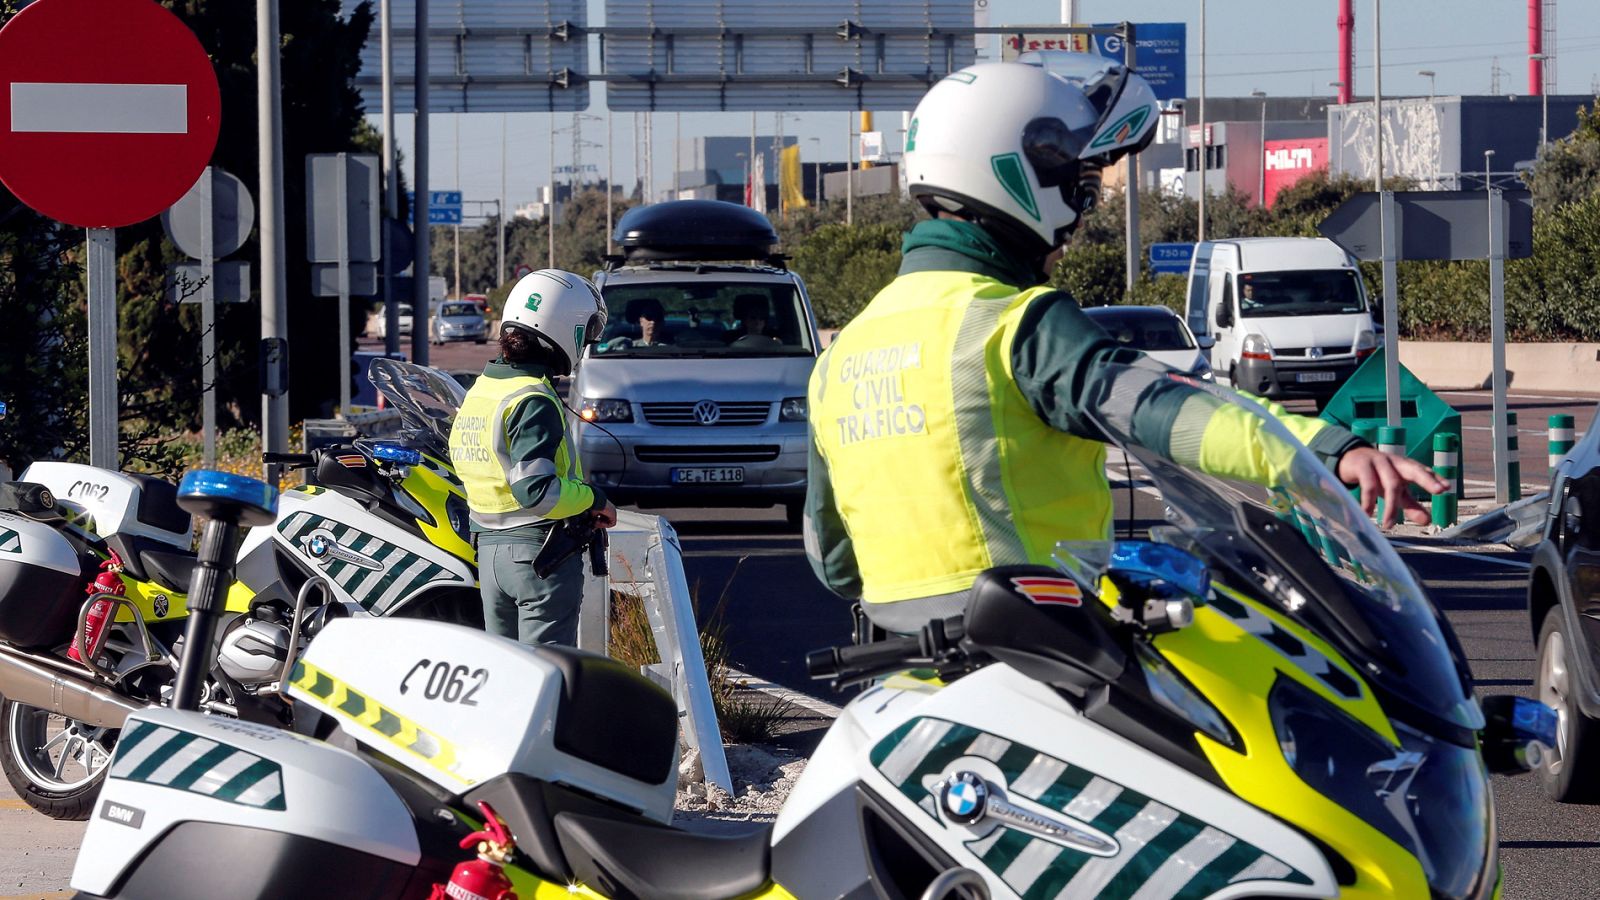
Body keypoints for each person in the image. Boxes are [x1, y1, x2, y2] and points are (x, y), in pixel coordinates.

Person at [803, 59, 1445, 634]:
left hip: (901, 677)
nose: (1080, 218)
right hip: (1041, 656)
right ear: (1016, 177)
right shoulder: (1010, 324)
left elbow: (832, 559)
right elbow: (1165, 410)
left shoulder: (840, 359)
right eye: (1080, 190)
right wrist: (1321, 450)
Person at [448, 269, 618, 646]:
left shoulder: (481, 392)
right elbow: (536, 490)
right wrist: (594, 499)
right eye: (585, 334)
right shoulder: (532, 399)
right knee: (546, 678)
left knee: (507, 678)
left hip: (490, 556)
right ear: (564, 328)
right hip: (538, 555)